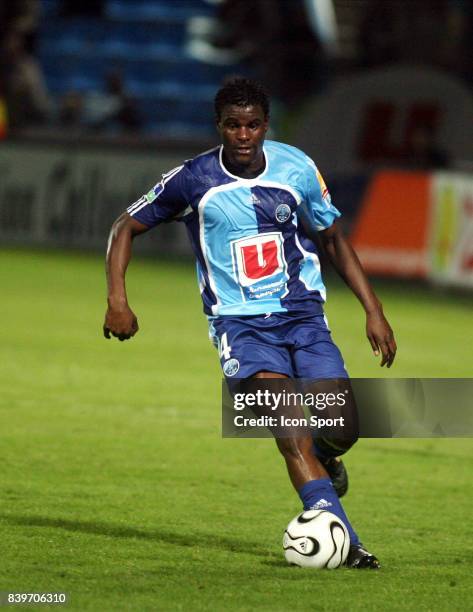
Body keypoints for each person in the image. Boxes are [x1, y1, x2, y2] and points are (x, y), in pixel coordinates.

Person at [104, 78, 397, 569]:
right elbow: (124, 226)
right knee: (288, 427)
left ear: (266, 125)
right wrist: (118, 299)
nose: (243, 135)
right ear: (219, 127)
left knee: (342, 425)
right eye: (233, 126)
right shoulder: (193, 180)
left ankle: (329, 456)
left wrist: (374, 309)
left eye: (253, 125)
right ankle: (342, 539)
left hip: (303, 315)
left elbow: (333, 239)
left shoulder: (297, 168)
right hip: (240, 327)